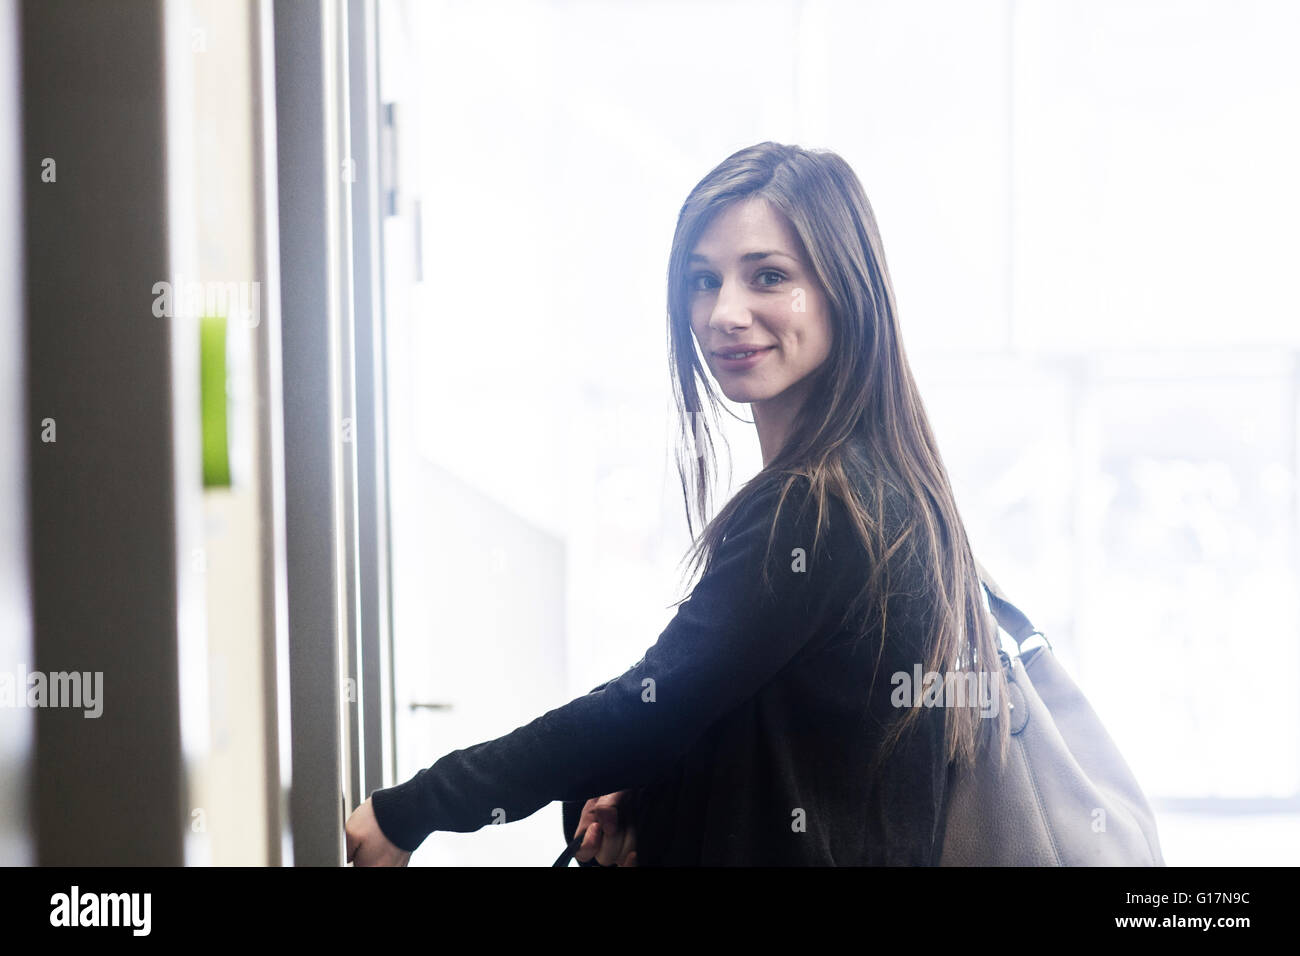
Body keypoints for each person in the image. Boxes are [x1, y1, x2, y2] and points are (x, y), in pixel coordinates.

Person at [346, 141, 1010, 867]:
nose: (725, 312)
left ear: (844, 289)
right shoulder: (889, 486)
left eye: (767, 276)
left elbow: (646, 708)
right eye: (702, 280)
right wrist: (645, 797)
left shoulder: (819, 508)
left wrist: (414, 809)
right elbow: (796, 746)